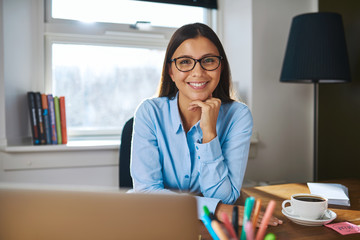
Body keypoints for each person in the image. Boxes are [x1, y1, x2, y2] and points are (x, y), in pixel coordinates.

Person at [130, 23, 282, 226]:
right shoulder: (149, 112)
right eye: (185, 62)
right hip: (158, 220)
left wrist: (209, 133)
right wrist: (215, 208)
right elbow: (148, 193)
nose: (198, 72)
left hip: (210, 226)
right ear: (171, 72)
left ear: (220, 67)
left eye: (208, 61)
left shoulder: (239, 115)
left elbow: (226, 197)